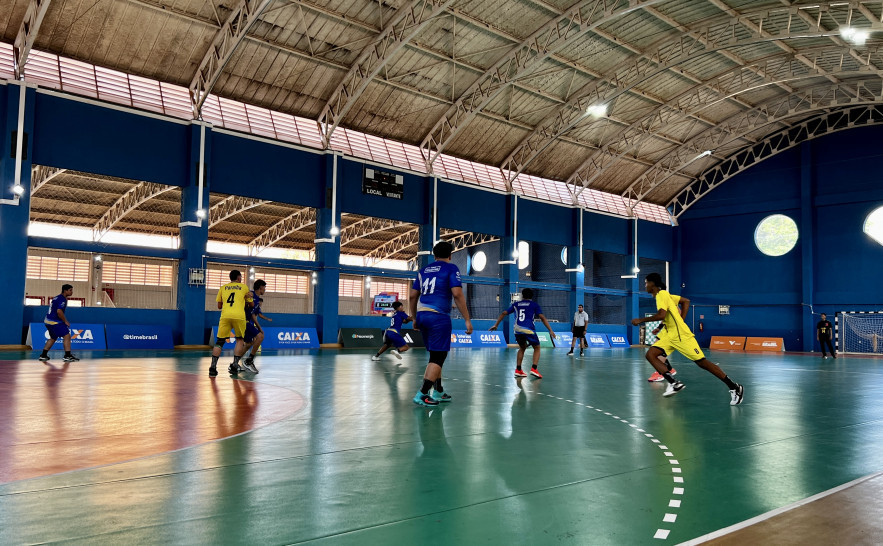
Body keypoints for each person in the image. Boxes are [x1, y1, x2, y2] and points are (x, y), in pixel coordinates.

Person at [631, 273, 744, 405]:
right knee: (650, 354)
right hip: (669, 334)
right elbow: (685, 302)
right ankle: (673, 383)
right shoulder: (666, 295)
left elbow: (662, 314)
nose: (645, 286)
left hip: (680, 335)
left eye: (646, 283)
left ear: (652, 283)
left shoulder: (661, 295)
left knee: (702, 363)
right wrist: (673, 322)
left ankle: (735, 387)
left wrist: (641, 320)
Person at [409, 241, 473, 407]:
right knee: (439, 357)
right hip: (438, 317)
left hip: (422, 315)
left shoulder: (423, 271)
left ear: (434, 255)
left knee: (435, 356)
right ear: (450, 255)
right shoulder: (451, 268)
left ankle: (438, 390)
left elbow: (412, 296)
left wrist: (414, 318)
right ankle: (422, 394)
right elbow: (457, 294)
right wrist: (467, 319)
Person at [489, 288, 557, 379]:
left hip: (517, 330)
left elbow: (503, 313)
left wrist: (496, 325)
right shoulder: (534, 305)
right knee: (537, 347)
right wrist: (550, 330)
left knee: (522, 348)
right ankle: (534, 368)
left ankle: (518, 370)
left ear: (522, 295)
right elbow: (542, 318)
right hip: (528, 330)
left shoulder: (516, 304)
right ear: (532, 296)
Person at [209, 270, 253, 377]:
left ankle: (213, 368)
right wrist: (244, 301)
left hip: (225, 316)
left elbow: (219, 306)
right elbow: (251, 305)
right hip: (239, 316)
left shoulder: (223, 287)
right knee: (239, 340)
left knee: (220, 342)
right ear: (239, 278)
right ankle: (234, 365)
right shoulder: (244, 287)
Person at [38, 284, 79, 363]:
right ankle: (67, 356)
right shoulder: (62, 299)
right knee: (67, 336)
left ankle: (43, 355)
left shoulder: (56, 297)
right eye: (70, 290)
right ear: (65, 291)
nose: (72, 292)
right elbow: (59, 311)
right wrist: (65, 321)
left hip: (47, 320)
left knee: (53, 338)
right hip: (54, 321)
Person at [241, 279, 270, 373]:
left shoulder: (257, 300)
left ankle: (234, 363)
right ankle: (249, 361)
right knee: (260, 337)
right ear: (260, 287)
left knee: (249, 343)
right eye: (264, 287)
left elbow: (253, 315)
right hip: (243, 321)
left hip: (248, 322)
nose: (265, 289)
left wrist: (259, 328)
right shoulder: (251, 294)